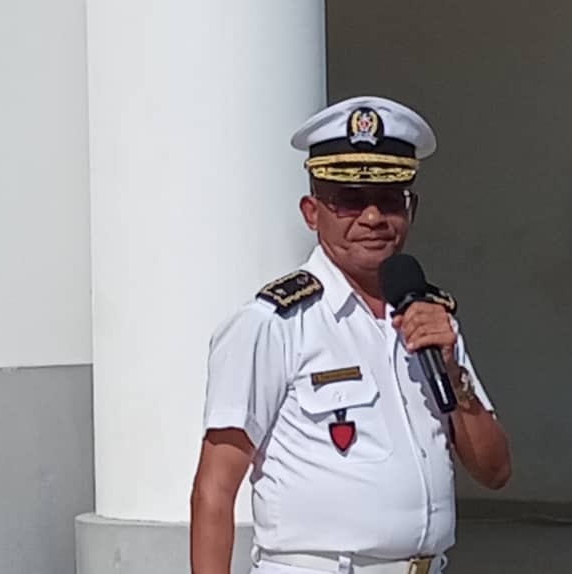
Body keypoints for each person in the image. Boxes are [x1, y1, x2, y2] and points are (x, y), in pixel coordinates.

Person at [190, 96, 511, 574]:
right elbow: (214, 490)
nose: (373, 218)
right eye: (350, 200)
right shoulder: (274, 323)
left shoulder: (431, 321)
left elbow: (495, 471)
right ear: (311, 211)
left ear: (411, 209)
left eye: (390, 199)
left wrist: (453, 375)